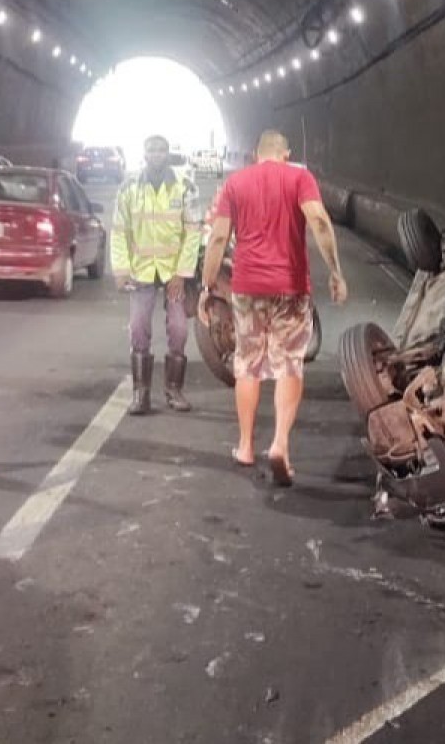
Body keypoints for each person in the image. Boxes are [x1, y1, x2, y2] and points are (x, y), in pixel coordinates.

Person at [197, 130, 348, 486]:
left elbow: (218, 237)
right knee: (289, 364)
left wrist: (207, 286)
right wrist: (336, 271)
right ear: (286, 153)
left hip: (247, 288)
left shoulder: (236, 183)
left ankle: (246, 446)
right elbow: (320, 222)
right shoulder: (299, 177)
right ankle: (280, 443)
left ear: (255, 155)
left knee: (247, 365)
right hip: (290, 288)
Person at [111, 135, 204, 415]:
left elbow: (193, 231)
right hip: (141, 269)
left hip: (173, 270)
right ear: (144, 153)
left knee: (178, 329)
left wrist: (182, 273)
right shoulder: (129, 188)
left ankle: (174, 390)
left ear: (168, 153)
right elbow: (119, 231)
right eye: (152, 149)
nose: (157, 154)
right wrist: (121, 270)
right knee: (139, 328)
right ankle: (141, 394)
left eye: (162, 149)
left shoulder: (185, 187)